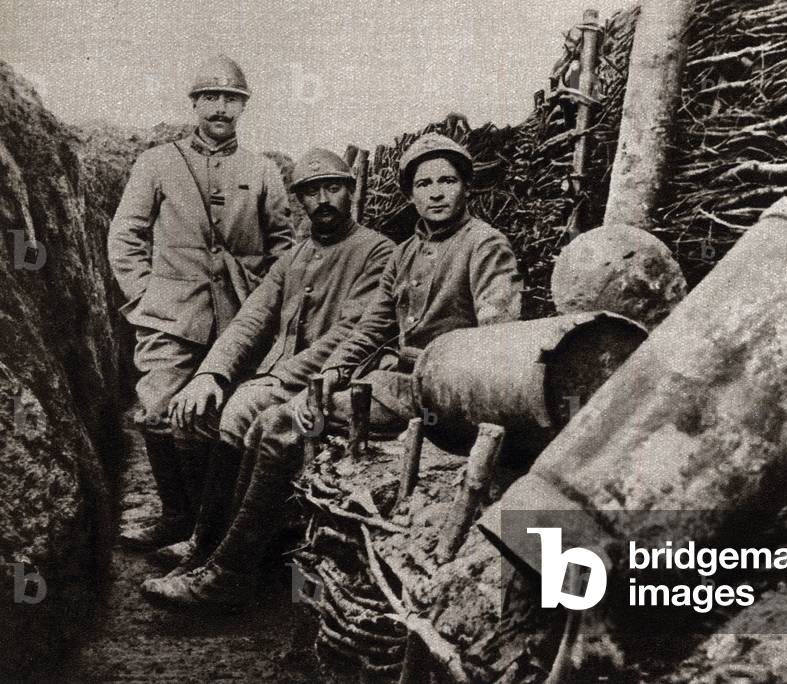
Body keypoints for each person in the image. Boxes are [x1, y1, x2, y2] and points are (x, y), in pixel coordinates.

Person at [142, 133, 522, 609]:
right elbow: (368, 331)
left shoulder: (485, 246)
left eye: (448, 180)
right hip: (396, 384)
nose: (437, 193)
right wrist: (323, 386)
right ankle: (222, 558)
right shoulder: (405, 253)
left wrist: (309, 385)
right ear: (410, 195)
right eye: (424, 184)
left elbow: (497, 340)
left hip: (446, 395)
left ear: (467, 186)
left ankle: (230, 572)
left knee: (278, 424)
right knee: (272, 420)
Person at [147, 148, 394, 571]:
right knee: (191, 410)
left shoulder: (377, 252)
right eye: (311, 193)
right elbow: (251, 320)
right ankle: (205, 535)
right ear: (299, 201)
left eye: (333, 188)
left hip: (334, 380)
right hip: (282, 380)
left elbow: (349, 332)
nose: (323, 200)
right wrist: (210, 373)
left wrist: (278, 380)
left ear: (350, 191)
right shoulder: (294, 257)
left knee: (240, 409)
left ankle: (218, 554)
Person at [108, 54, 294, 552]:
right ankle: (176, 516)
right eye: (210, 98)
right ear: (195, 104)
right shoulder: (157, 163)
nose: (220, 108)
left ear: (242, 107)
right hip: (170, 314)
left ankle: (214, 528)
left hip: (238, 317)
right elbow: (126, 236)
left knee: (224, 414)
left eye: (230, 99)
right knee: (159, 409)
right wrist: (146, 296)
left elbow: (283, 246)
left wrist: (265, 306)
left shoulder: (261, 170)